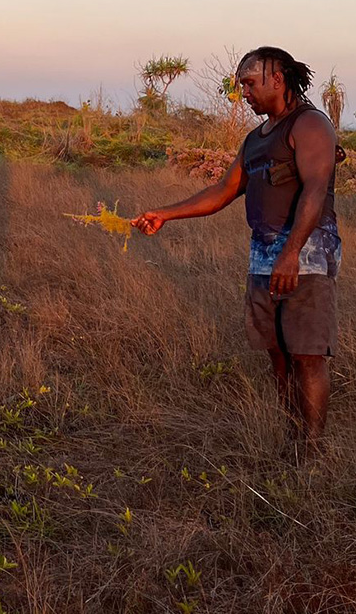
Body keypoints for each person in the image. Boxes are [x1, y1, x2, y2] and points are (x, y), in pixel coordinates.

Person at [132, 46, 341, 458]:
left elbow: (316, 191)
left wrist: (291, 254)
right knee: (277, 354)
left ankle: (312, 454)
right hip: (263, 254)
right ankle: (291, 439)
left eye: (249, 83)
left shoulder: (311, 124)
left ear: (276, 79)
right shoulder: (256, 139)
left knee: (306, 354)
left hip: (307, 254)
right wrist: (164, 215)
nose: (243, 92)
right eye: (241, 84)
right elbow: (222, 191)